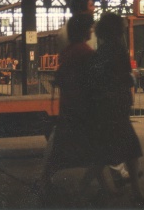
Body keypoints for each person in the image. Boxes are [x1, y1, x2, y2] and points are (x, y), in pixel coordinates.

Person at [89, 12, 144, 207]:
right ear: (116, 29)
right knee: (130, 151)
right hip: (117, 108)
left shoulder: (101, 51)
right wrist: (132, 78)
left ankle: (108, 190)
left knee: (105, 151)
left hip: (106, 108)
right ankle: (135, 193)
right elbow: (125, 78)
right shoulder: (118, 50)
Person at [38, 14, 103, 195]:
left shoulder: (67, 51)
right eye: (89, 28)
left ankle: (45, 180)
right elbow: (93, 80)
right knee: (100, 149)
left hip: (69, 106)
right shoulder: (86, 52)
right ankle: (85, 187)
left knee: (61, 148)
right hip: (83, 108)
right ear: (83, 31)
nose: (92, 30)